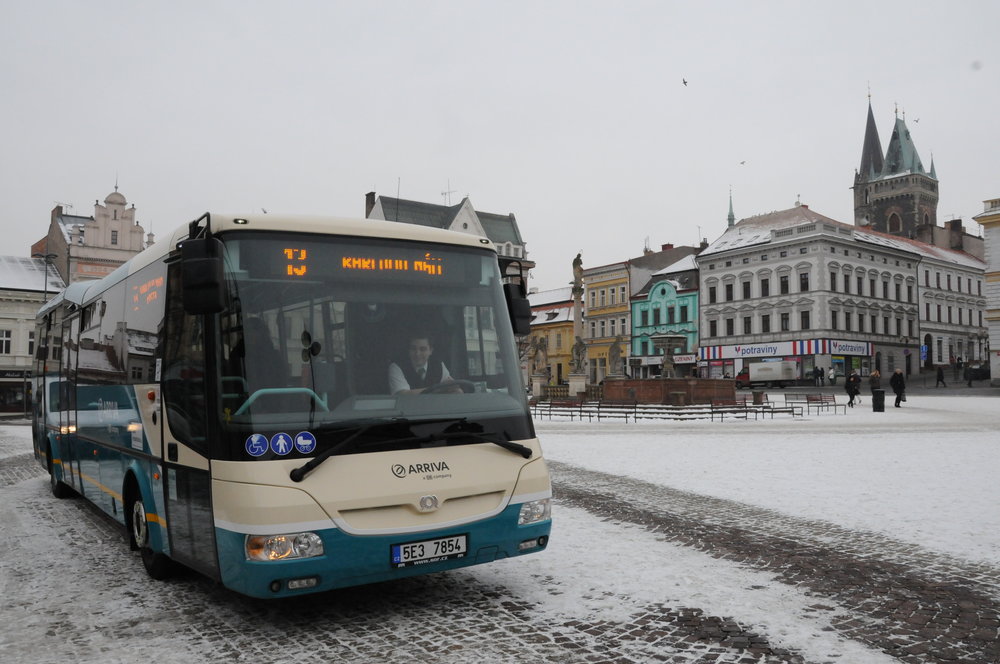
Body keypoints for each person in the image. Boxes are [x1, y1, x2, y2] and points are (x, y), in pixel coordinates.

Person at [388, 334, 459, 395]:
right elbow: (402, 394)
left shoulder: (438, 365)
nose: (417, 354)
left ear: (430, 351)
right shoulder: (397, 367)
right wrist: (439, 389)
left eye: (422, 349)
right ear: (409, 350)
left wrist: (453, 389)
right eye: (413, 349)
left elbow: (454, 390)